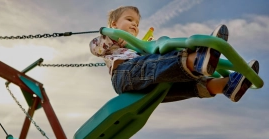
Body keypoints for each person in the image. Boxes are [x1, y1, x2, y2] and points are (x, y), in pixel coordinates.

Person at [89, 6, 259, 102]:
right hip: (124, 77)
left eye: (137, 23)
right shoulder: (109, 41)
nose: (134, 25)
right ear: (113, 24)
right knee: (156, 62)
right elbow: (95, 47)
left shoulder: (136, 46)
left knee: (175, 86)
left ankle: (225, 85)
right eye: (129, 20)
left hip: (144, 87)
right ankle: (195, 60)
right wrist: (111, 37)